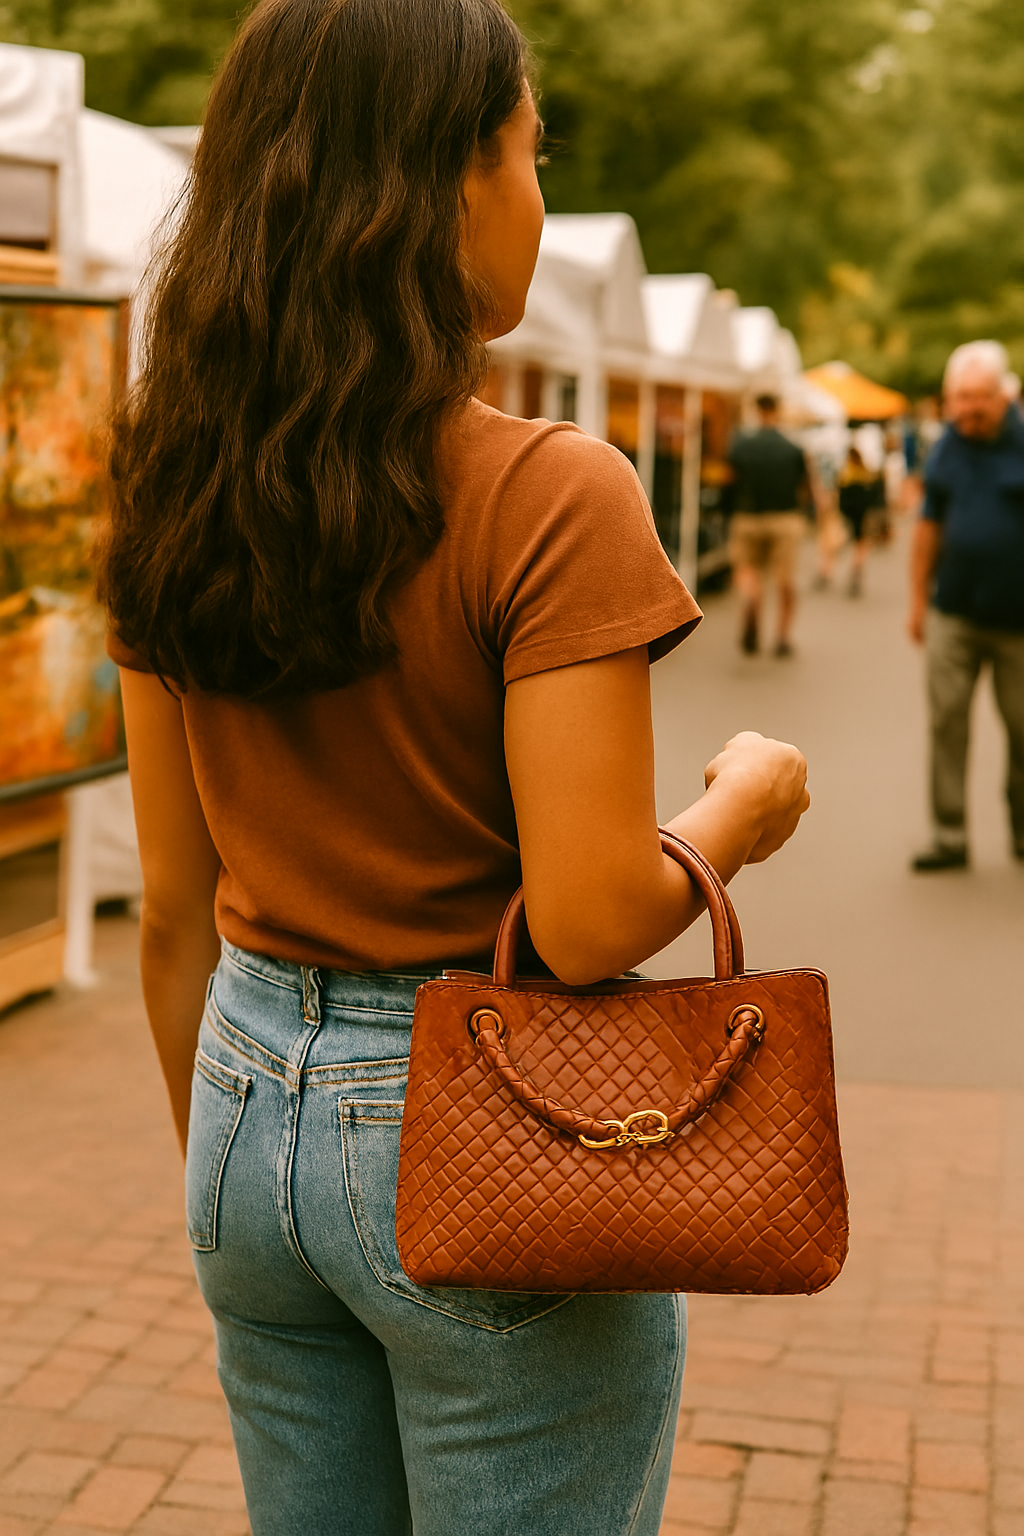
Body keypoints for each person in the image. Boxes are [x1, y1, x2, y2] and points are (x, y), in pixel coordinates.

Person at [100, 2, 810, 1531]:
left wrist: (251, 1172)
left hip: (236, 1106)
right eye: (529, 152)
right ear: (439, 183)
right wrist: (738, 811)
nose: (540, 197)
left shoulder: (165, 475)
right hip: (485, 1123)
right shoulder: (550, 492)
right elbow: (590, 918)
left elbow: (172, 903)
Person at [909, 340, 1024, 871]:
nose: (968, 408)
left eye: (978, 396)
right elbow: (928, 525)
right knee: (947, 722)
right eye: (959, 397)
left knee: (1022, 728)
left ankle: (1022, 829)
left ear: (1003, 393)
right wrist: (916, 600)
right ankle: (949, 835)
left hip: (1017, 623)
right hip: (953, 611)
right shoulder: (947, 447)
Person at [727, 394, 812, 656]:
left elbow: (730, 481)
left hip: (748, 517)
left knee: (748, 571)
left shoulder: (742, 447)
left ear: (756, 410)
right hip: (785, 518)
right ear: (777, 411)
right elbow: (805, 486)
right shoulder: (793, 448)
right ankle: (782, 636)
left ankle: (752, 597)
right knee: (785, 579)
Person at [837, 445, 874, 596]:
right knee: (861, 543)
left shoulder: (845, 475)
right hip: (862, 515)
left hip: (849, 514)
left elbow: (841, 500)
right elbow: (872, 497)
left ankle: (853, 567)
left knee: (852, 540)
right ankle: (857, 567)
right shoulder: (865, 474)